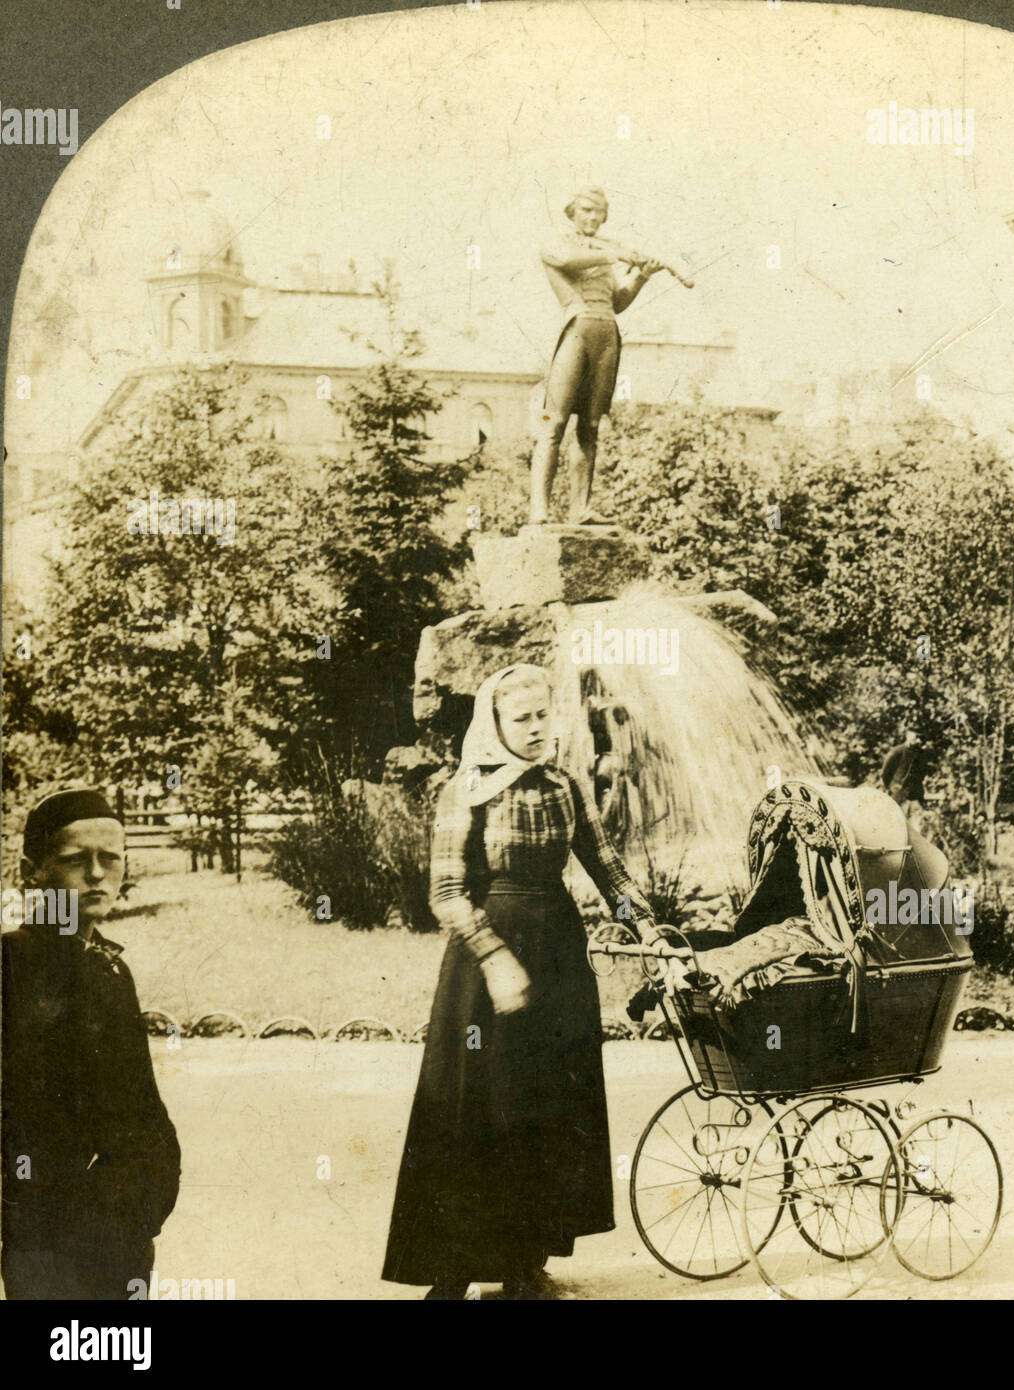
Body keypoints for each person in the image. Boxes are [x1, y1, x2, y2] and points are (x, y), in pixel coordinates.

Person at [382, 664, 662, 1300]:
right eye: (522, 719)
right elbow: (447, 893)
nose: (536, 729)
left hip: (559, 955)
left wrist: (647, 928)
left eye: (544, 715)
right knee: (479, 1108)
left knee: (548, 1107)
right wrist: (494, 956)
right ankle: (451, 1274)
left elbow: (607, 870)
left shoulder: (565, 784)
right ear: (496, 724)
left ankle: (522, 1267)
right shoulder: (468, 789)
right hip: (485, 966)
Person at [2, 788, 181, 1300]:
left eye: (111, 859)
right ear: (32, 870)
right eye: (76, 860)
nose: (98, 875)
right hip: (50, 1236)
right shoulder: (15, 966)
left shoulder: (108, 965)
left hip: (123, 1228)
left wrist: (150, 1189)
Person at [530, 186, 663, 526]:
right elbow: (566, 261)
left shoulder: (604, 253)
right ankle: (539, 510)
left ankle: (581, 509)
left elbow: (616, 301)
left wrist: (642, 276)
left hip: (606, 334)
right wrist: (615, 254)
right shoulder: (559, 245)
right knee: (554, 422)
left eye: (598, 211)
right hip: (576, 329)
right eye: (586, 210)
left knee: (590, 426)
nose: (592, 217)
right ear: (572, 213)